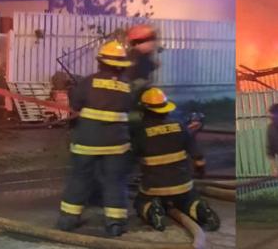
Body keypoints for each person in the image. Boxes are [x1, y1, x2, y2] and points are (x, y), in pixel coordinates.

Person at [57, 40, 134, 237]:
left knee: (80, 178)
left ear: (101, 62)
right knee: (114, 181)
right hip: (116, 145)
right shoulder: (128, 88)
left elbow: (75, 104)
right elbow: (131, 110)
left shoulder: (87, 82)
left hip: (86, 143)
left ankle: (68, 219)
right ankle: (115, 222)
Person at [132, 87, 220, 231]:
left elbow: (130, 158)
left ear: (144, 111)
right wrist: (200, 172)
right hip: (182, 185)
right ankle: (200, 210)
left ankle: (152, 210)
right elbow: (199, 159)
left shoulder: (140, 131)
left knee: (140, 202)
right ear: (166, 109)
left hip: (154, 187)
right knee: (188, 201)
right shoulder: (180, 126)